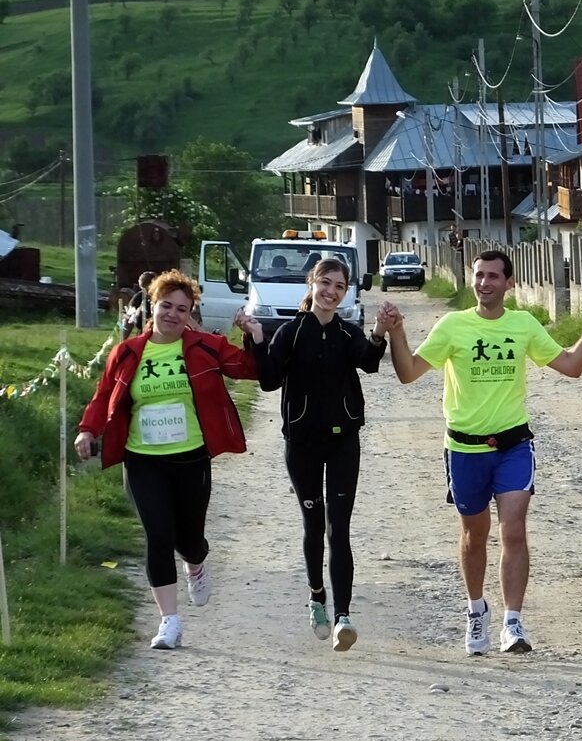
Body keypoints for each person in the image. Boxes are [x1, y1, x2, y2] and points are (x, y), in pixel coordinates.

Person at [382, 249, 582, 655]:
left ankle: (514, 622)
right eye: (479, 275)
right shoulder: (452, 326)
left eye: (494, 276)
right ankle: (477, 611)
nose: (484, 283)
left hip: (513, 445)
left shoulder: (523, 324)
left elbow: (571, 365)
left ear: (509, 283)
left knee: (513, 529)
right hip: (464, 448)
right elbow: (408, 374)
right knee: (475, 535)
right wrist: (396, 333)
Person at [75, 270, 263, 650]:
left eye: (182, 308)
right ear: (153, 306)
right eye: (166, 306)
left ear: (191, 312)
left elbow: (250, 369)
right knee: (158, 534)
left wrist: (252, 335)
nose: (173, 314)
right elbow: (104, 394)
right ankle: (169, 622)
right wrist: (87, 430)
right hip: (142, 459)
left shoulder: (206, 346)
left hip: (191, 458)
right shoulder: (127, 352)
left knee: (189, 538)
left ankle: (195, 563)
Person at [250, 259, 391, 652]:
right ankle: (317, 597)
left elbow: (369, 362)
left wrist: (379, 332)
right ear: (311, 285)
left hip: (343, 440)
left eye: (339, 286)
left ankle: (343, 616)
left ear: (346, 292)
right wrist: (258, 340)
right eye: (325, 283)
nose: (331, 291)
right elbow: (268, 380)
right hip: (302, 444)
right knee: (313, 524)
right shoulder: (291, 333)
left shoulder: (348, 334)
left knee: (338, 528)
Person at [121, 270, 156, 340]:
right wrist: (123, 340)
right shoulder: (139, 296)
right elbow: (128, 318)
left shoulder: (163, 297)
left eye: (148, 288)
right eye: (144, 288)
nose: (147, 292)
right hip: (142, 334)